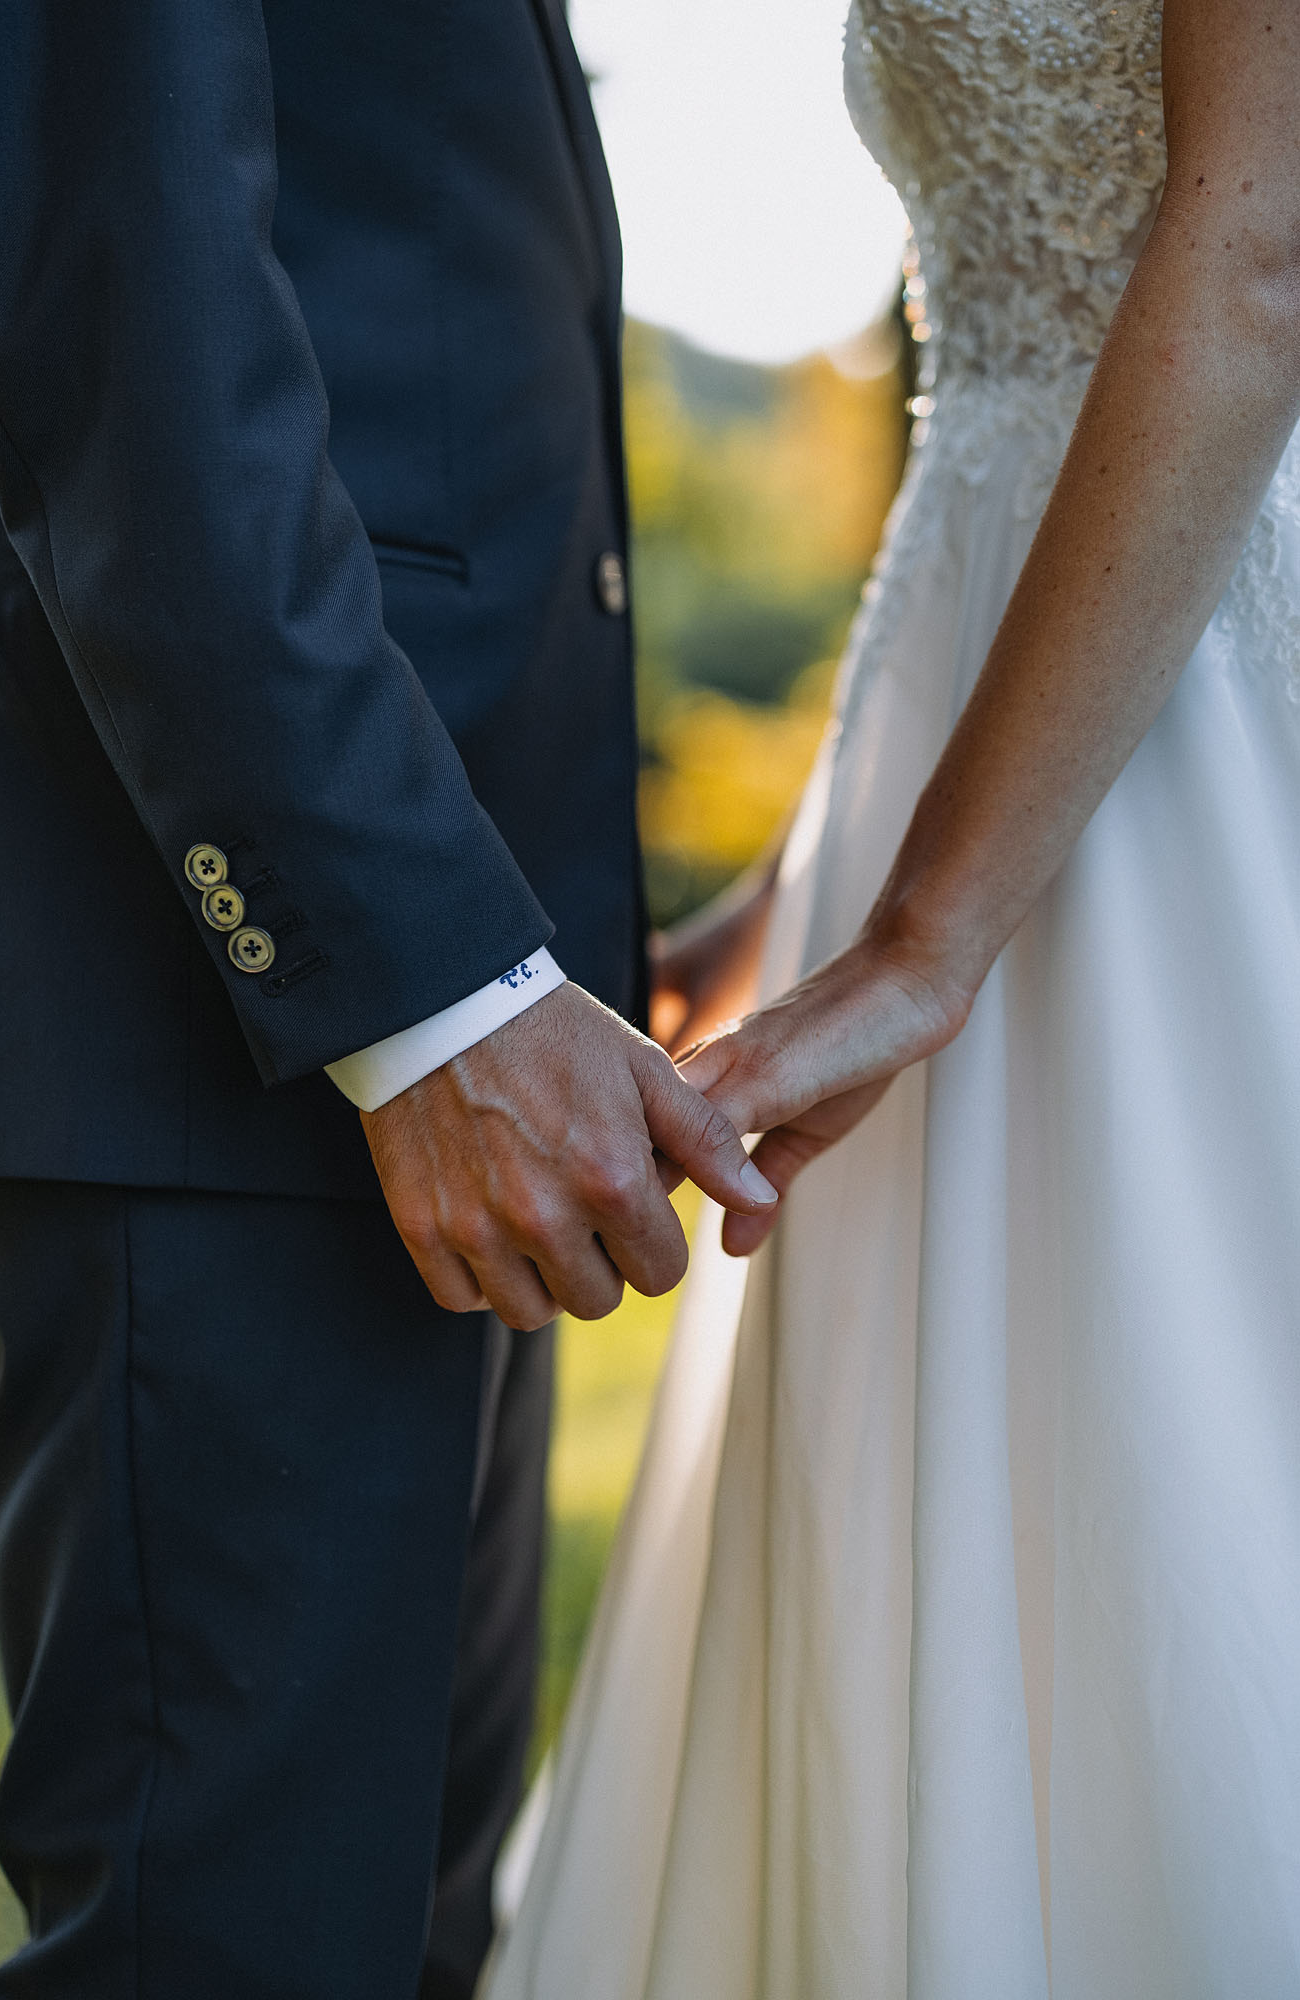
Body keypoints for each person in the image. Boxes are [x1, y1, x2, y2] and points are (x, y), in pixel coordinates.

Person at [485, 0, 1300, 1993]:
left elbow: (1259, 247)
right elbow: (998, 419)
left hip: (1212, 738)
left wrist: (930, 932)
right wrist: (804, 897)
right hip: (991, 722)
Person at [0, 4, 778, 1995]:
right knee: (229, 1952)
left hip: (456, 973)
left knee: (400, 1934)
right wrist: (420, 988)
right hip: (238, 1013)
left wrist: (531, 948)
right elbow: (124, 304)